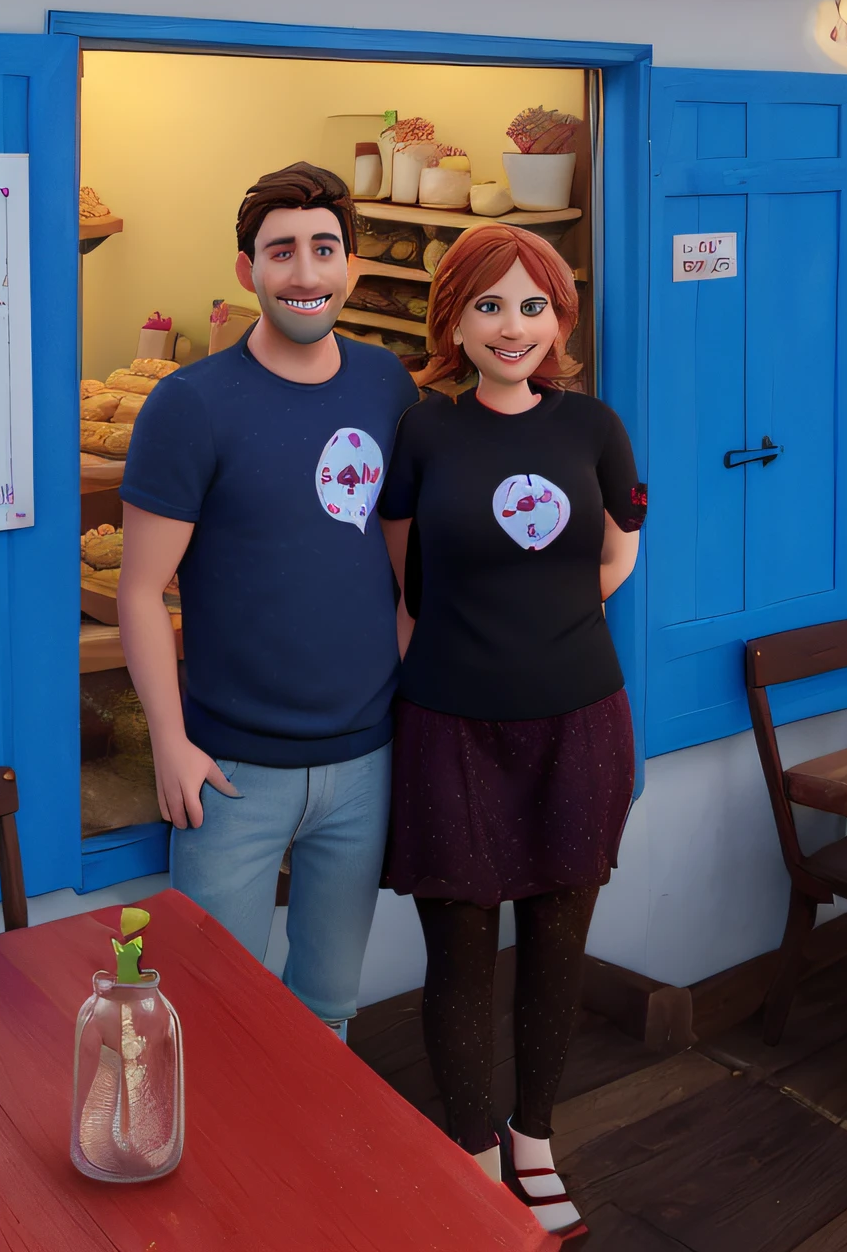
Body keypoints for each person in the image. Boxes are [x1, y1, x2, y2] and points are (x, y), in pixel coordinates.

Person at [378, 221, 644, 1243]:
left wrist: (552, 620)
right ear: (453, 317)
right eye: (488, 303)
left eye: (533, 304)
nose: (512, 325)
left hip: (580, 717)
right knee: (458, 947)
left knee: (556, 944)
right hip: (448, 721)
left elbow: (617, 551)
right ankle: (474, 1148)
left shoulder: (593, 426)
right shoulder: (426, 431)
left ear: (560, 319)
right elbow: (403, 572)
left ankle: (535, 1137)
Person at [118, 161, 418, 1033]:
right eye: (281, 251)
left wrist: (388, 686)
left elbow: (409, 565)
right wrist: (170, 744)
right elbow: (140, 591)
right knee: (206, 1013)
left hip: (366, 763)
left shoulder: (386, 387)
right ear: (248, 270)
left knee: (328, 1005)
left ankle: (307, 1173)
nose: (306, 272)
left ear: (353, 267)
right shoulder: (189, 405)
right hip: (231, 773)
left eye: (326, 249)